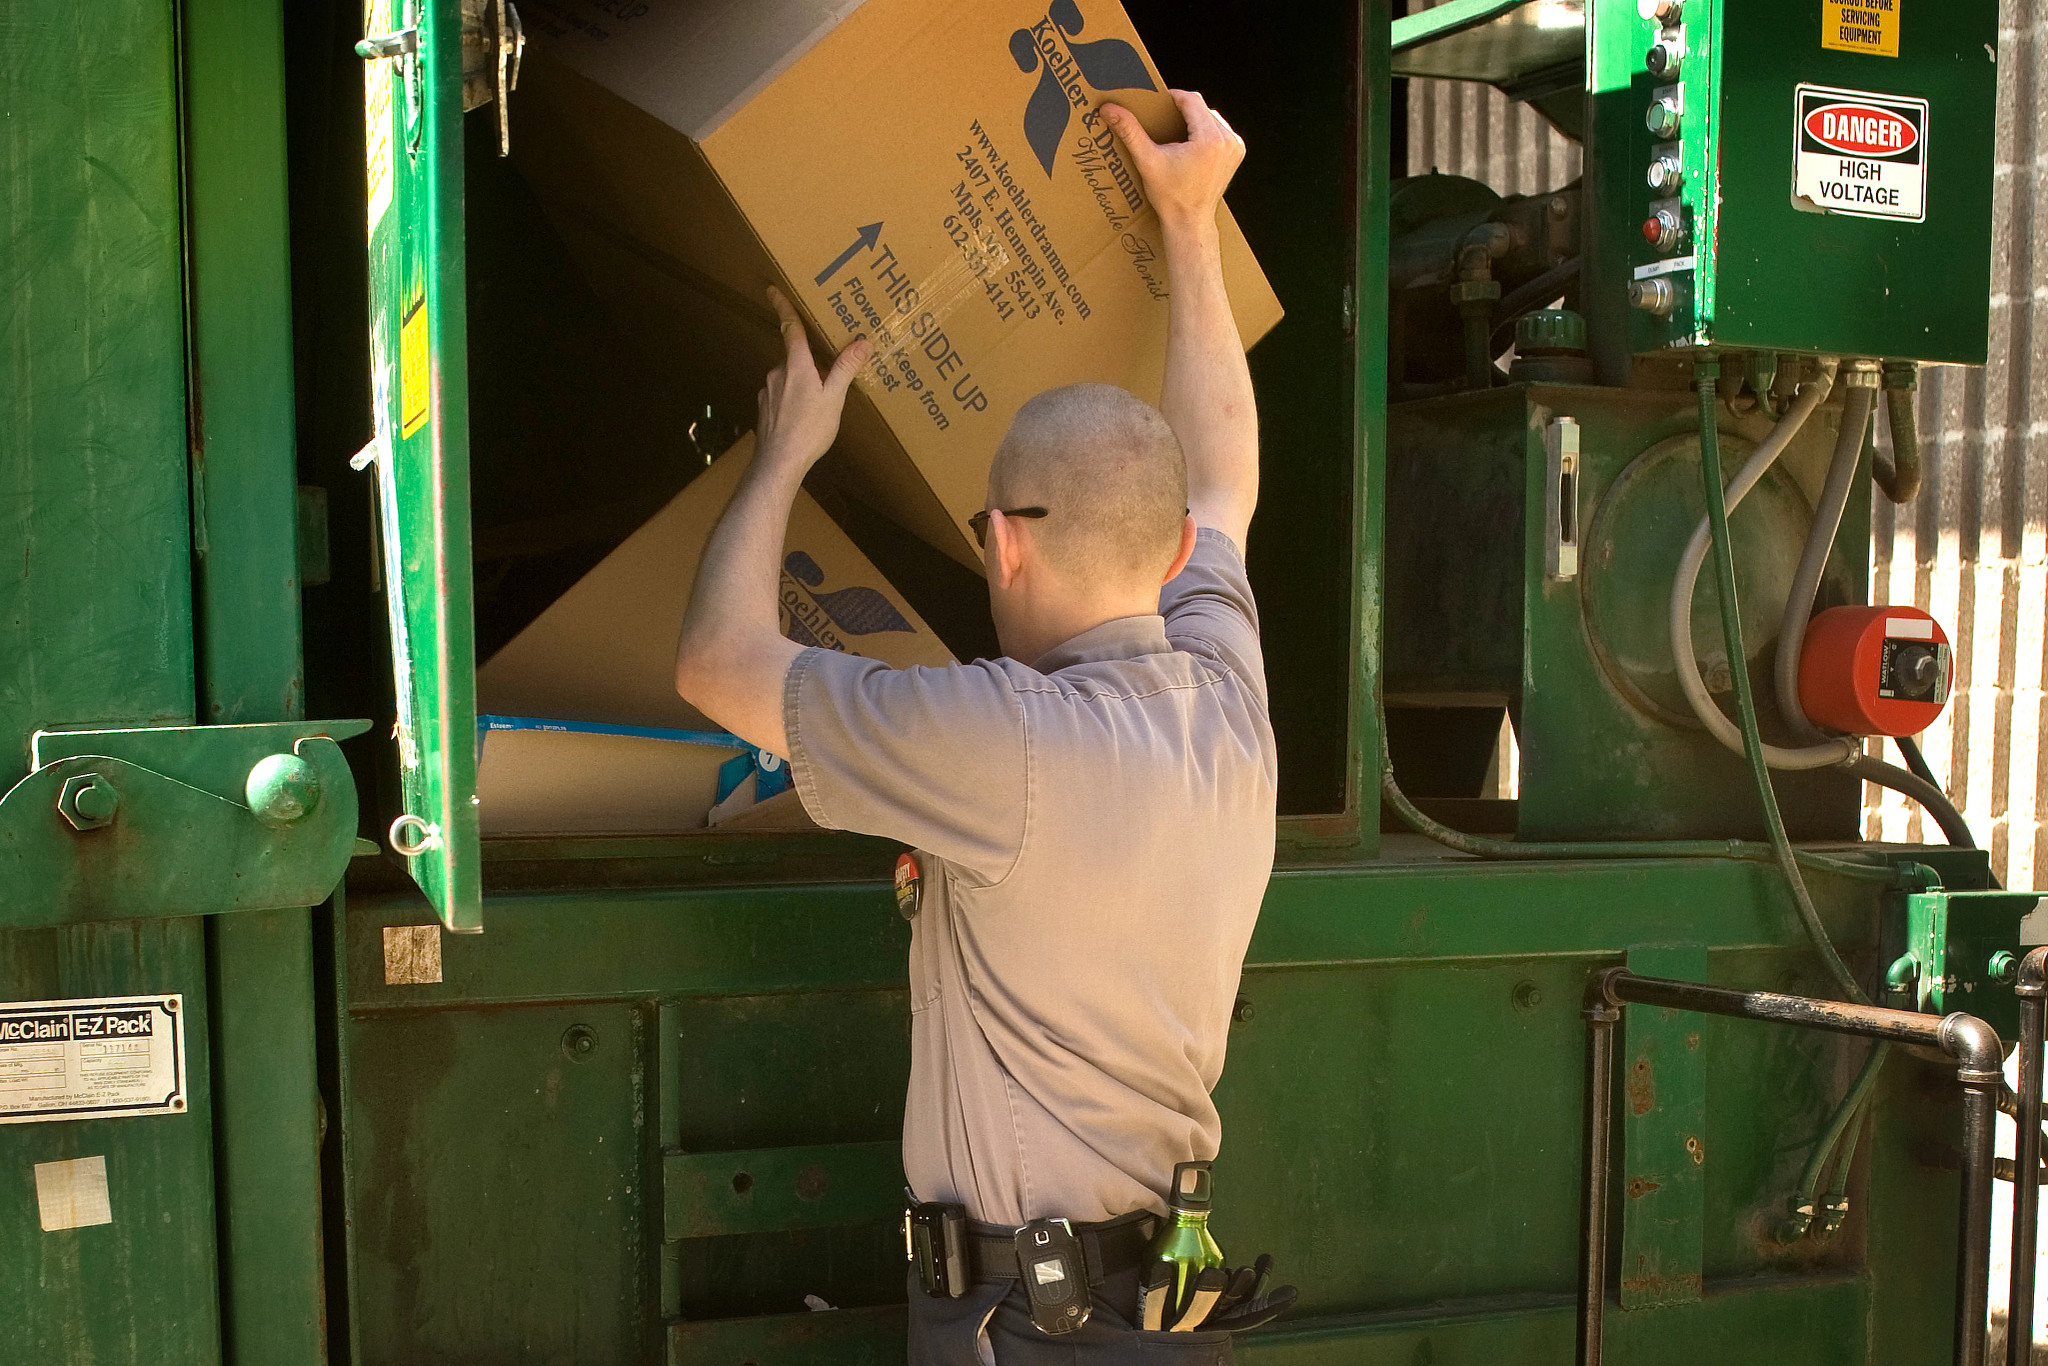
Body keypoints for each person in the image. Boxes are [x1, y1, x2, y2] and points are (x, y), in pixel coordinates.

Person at [675, 89, 1281, 1363]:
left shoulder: (1001, 741)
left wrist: (783, 452)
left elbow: (717, 666)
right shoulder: (1226, 696)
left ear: (1002, 542)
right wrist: (1189, 222)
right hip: (1153, 1316)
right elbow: (1224, 472)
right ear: (1171, 552)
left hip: (1028, 1327)